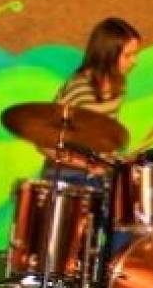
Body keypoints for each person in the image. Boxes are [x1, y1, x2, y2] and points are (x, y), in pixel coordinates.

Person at [43, 17, 144, 181]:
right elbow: (45, 142)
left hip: (95, 174)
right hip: (67, 175)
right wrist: (86, 165)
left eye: (135, 54)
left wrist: (114, 159)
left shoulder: (118, 86)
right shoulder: (80, 88)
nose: (134, 61)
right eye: (128, 55)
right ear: (108, 55)